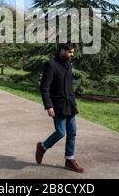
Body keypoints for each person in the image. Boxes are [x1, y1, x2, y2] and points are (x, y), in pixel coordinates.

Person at [35, 42, 84, 173]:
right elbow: (44, 88)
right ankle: (42, 147)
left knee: (72, 132)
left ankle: (69, 159)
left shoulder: (68, 64)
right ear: (62, 51)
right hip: (58, 105)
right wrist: (49, 106)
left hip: (70, 104)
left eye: (72, 52)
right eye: (70, 52)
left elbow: (68, 85)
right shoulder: (51, 65)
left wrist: (73, 101)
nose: (72, 55)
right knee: (61, 132)